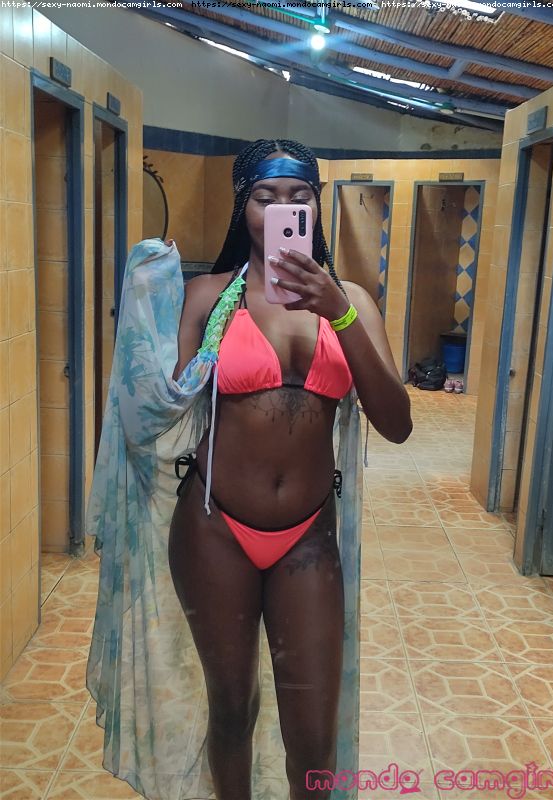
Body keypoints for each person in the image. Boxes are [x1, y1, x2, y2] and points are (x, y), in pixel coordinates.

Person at [85, 138, 412, 800]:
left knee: (313, 740)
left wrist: (340, 313)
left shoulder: (352, 300)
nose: (283, 209)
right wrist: (146, 302)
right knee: (232, 708)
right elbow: (156, 409)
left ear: (316, 208)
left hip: (308, 536)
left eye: (300, 197)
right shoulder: (208, 297)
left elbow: (396, 422)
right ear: (244, 208)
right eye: (266, 197)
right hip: (214, 529)